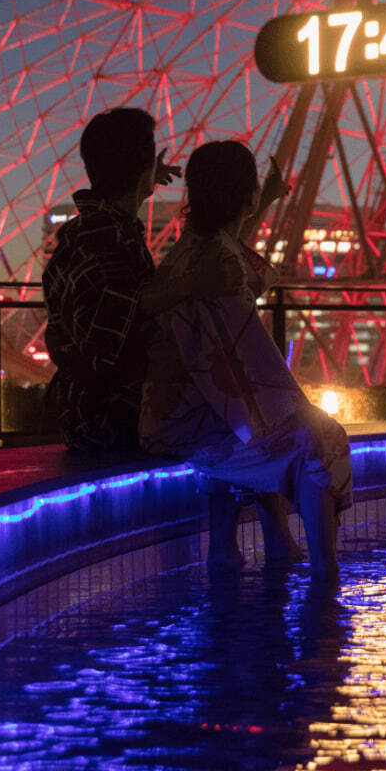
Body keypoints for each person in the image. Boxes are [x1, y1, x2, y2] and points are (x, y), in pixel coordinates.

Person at [138, 140, 352, 577]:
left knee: (268, 427)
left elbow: (230, 253)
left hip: (168, 414)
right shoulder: (221, 264)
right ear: (247, 197)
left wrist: (263, 199)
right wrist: (298, 411)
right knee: (322, 437)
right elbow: (249, 366)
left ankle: (240, 549)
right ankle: (325, 576)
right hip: (192, 427)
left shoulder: (192, 247)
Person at [42, 106, 180, 452]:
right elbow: (109, 343)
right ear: (141, 171)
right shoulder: (108, 238)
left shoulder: (85, 231)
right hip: (111, 419)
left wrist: (143, 176)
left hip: (83, 411)